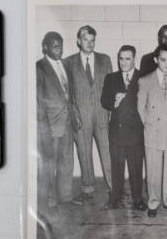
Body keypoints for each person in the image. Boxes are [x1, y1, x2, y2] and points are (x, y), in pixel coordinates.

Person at [36, 31, 83, 220]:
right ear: (46, 47)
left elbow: (69, 95)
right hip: (51, 125)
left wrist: (76, 115)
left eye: (61, 45)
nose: (59, 49)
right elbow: (38, 101)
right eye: (55, 46)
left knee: (66, 162)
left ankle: (65, 197)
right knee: (49, 165)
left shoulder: (65, 64)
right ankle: (49, 201)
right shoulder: (39, 67)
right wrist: (44, 127)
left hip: (67, 122)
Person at [64, 25, 113, 201]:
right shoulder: (68, 62)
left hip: (102, 114)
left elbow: (111, 88)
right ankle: (87, 187)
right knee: (84, 153)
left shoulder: (105, 60)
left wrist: (110, 112)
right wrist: (73, 113)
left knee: (108, 151)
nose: (89, 43)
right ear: (78, 41)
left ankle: (114, 186)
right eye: (85, 40)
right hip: (80, 116)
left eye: (92, 40)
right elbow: (67, 93)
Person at [137, 45, 167, 220]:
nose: (166, 64)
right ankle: (153, 201)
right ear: (156, 60)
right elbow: (141, 108)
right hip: (153, 130)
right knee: (153, 169)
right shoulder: (145, 81)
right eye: (162, 60)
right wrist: (150, 125)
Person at [101, 45, 146, 211]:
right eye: (121, 58)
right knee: (117, 168)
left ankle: (138, 199)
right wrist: (114, 101)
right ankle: (115, 197)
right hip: (117, 132)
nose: (124, 62)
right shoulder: (111, 77)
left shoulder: (143, 77)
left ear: (134, 59)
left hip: (136, 132)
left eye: (127, 58)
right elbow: (103, 101)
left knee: (136, 169)